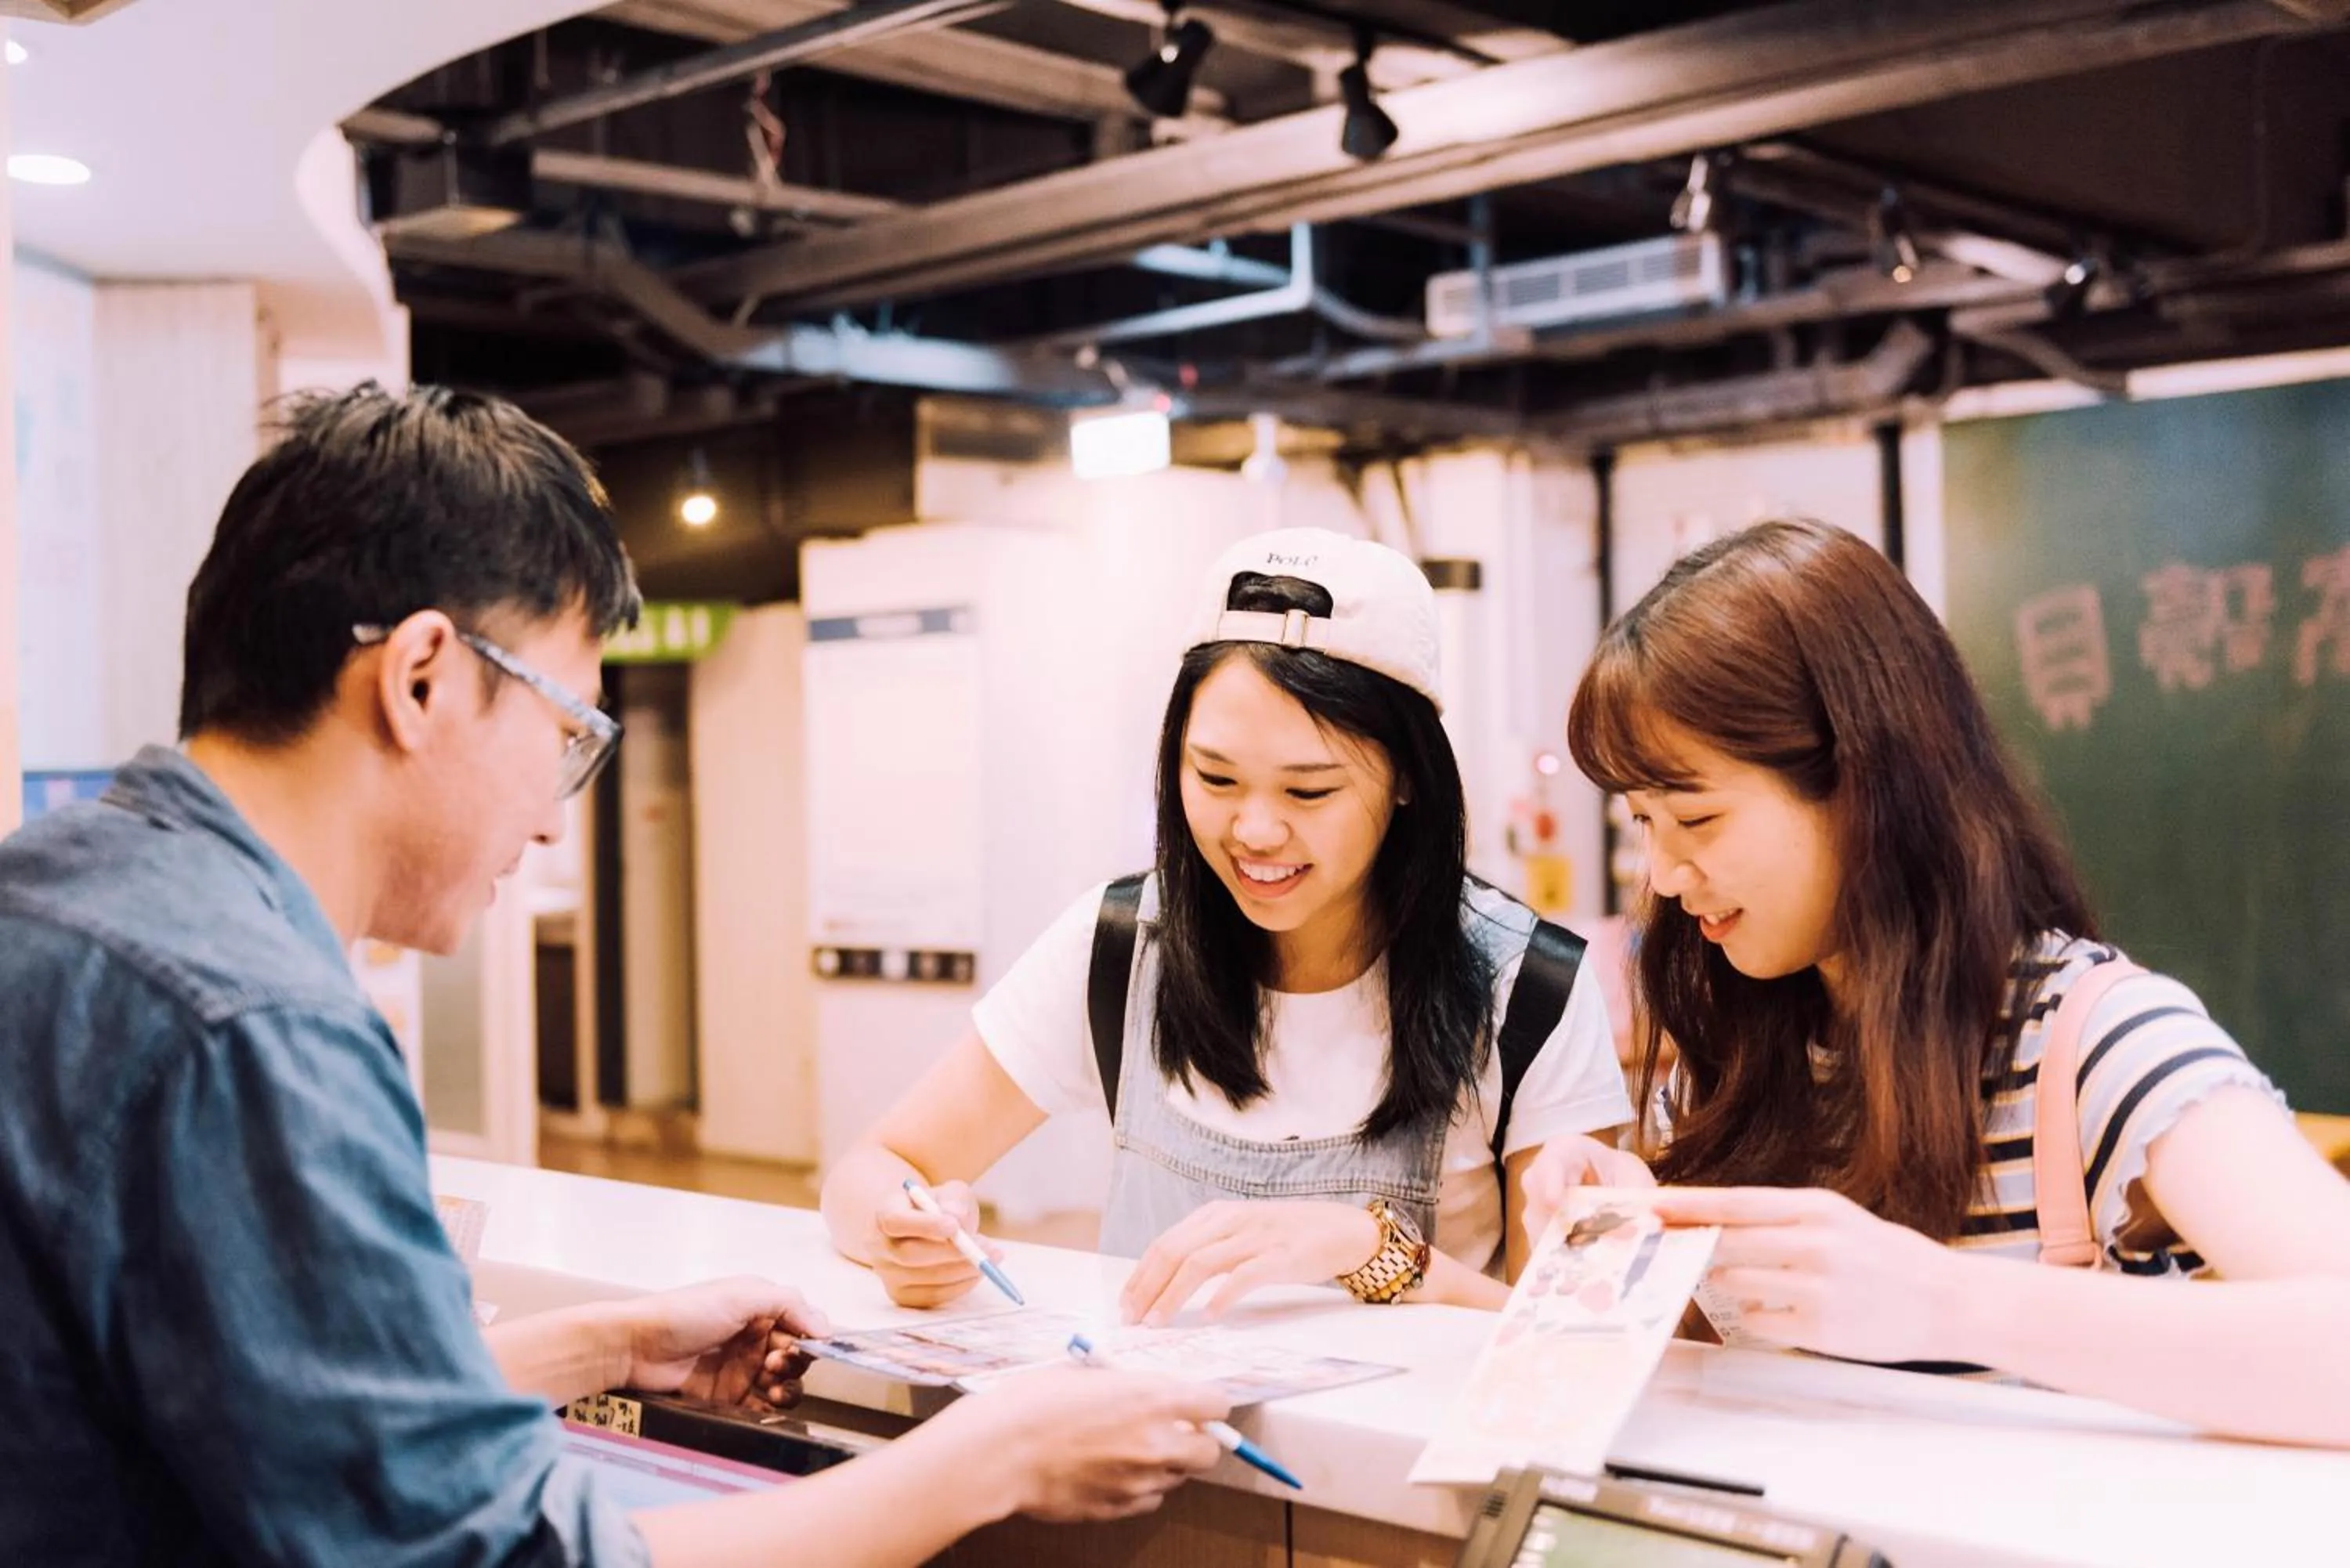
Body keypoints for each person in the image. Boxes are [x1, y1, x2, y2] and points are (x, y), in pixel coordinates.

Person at [0, 385, 1230, 1567]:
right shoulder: (258, 1027)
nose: (549, 821)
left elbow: (261, 1414)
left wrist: (608, 1341)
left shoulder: (55, 899)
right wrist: (989, 1456)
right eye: (567, 733)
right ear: (421, 676)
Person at [1524, 517, 2350, 1446]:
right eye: (1642, 821)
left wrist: (1940, 1299)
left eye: (1697, 817)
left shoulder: (2096, 1044)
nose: (1665, 875)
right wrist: (1636, 1241)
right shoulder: (1734, 1060)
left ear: (1866, 785)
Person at [822, 528, 1632, 1322]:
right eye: (1214, 776)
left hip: (1390, 1458)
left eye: (1308, 792)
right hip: (1134, 1447)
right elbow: (871, 1170)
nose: (1254, 831)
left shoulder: (1529, 988)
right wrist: (903, 1232)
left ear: (1409, 779)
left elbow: (1570, 1336)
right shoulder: (1119, 946)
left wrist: (1370, 1247)